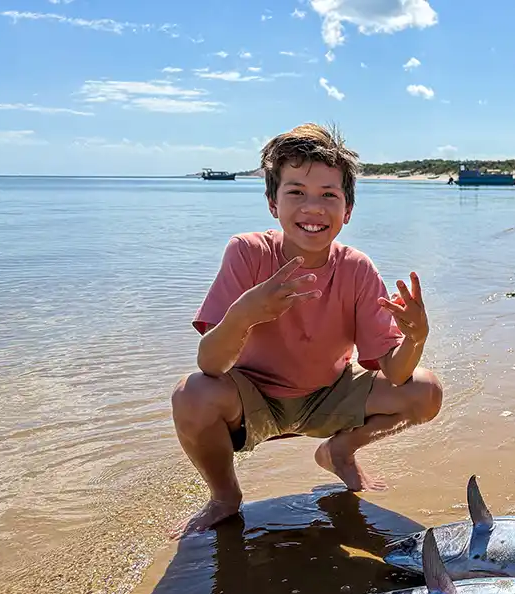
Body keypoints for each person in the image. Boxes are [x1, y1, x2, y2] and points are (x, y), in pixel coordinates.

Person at [171, 123, 443, 535]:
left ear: (347, 210)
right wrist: (244, 314)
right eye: (296, 192)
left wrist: (416, 338)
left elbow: (397, 374)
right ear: (271, 203)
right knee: (191, 394)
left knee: (427, 391)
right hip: (254, 396)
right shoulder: (247, 253)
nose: (313, 208)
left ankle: (340, 452)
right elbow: (210, 363)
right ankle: (225, 497)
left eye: (328, 195)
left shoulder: (356, 268)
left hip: (330, 394)